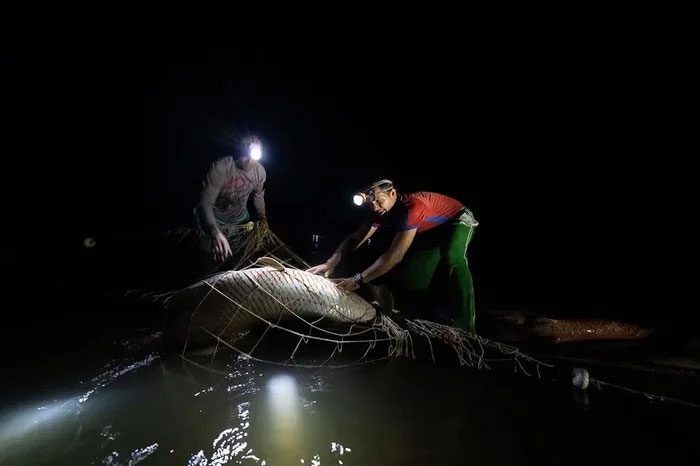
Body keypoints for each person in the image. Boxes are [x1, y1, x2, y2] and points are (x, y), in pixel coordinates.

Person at [307, 179, 479, 332]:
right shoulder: (379, 211)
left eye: (379, 200)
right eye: (370, 203)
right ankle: (424, 317)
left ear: (393, 193)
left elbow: (395, 255)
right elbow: (354, 239)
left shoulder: (411, 208)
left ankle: (466, 323)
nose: (375, 206)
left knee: (452, 257)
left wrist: (357, 280)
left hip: (457, 219)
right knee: (413, 277)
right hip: (431, 232)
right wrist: (330, 263)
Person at [194, 134, 268, 273]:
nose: (248, 161)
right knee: (207, 266)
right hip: (214, 220)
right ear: (239, 151)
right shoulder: (222, 167)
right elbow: (205, 204)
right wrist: (215, 233)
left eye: (254, 155)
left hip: (239, 223)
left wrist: (263, 218)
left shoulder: (260, 172)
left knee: (233, 265)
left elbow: (258, 197)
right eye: (245, 154)